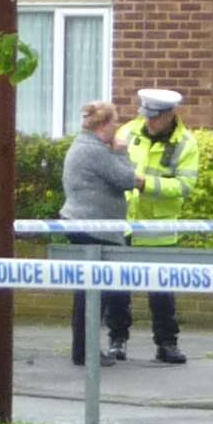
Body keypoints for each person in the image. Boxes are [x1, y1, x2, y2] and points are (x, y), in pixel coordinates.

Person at [109, 88, 199, 364]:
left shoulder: (185, 143)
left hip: (159, 228)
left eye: (155, 117)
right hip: (124, 224)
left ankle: (167, 343)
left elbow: (185, 186)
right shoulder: (127, 131)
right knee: (117, 289)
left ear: (170, 115)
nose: (149, 122)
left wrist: (146, 184)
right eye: (146, 115)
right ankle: (117, 341)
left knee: (162, 292)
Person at [58, 101, 145, 367]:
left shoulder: (86, 146)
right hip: (92, 228)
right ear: (103, 125)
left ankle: (84, 350)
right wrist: (121, 152)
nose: (118, 127)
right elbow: (126, 179)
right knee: (93, 294)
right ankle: (86, 352)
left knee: (88, 292)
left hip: (86, 225)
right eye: (115, 122)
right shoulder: (95, 151)